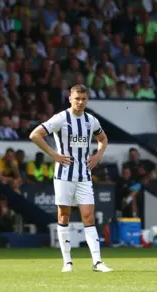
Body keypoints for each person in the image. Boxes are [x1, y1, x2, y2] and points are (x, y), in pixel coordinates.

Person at [29, 84, 113, 273]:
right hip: (64, 175)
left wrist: (98, 156)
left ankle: (97, 262)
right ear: (70, 98)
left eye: (83, 99)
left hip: (84, 175)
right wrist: (54, 155)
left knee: (89, 216)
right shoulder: (61, 118)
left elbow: (103, 139)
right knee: (64, 215)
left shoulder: (91, 120)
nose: (80, 102)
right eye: (77, 98)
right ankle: (67, 262)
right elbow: (35, 134)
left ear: (87, 99)